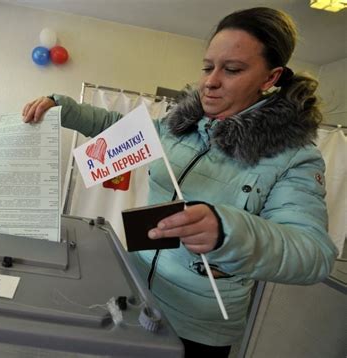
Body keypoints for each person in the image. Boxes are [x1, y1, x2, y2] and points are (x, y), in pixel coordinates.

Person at [22, 7, 338, 357]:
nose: (210, 81)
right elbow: (118, 127)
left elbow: (314, 254)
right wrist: (62, 107)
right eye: (207, 67)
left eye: (232, 69)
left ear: (270, 77)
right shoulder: (179, 126)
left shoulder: (293, 156)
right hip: (137, 291)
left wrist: (227, 231)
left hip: (198, 325)